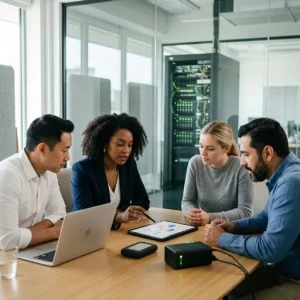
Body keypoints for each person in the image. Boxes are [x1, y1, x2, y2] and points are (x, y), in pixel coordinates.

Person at [205, 118, 300, 299]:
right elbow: (266, 216)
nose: (241, 162)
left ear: (268, 153)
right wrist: (234, 226)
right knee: (227, 289)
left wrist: (223, 238)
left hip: (295, 279)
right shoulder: (287, 173)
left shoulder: (290, 183)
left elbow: (270, 249)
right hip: (286, 270)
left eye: (246, 154)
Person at [0, 114, 74, 250]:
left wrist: (30, 233)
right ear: (42, 149)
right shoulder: (7, 175)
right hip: (6, 259)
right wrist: (53, 232)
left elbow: (59, 214)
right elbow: (7, 240)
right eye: (64, 150)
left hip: (29, 249)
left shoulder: (49, 171)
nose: (67, 157)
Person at [71, 113, 150, 228]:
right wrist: (118, 217)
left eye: (130, 145)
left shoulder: (129, 165)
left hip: (118, 230)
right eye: (120, 144)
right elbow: (85, 213)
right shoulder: (82, 169)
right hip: (88, 231)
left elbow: (142, 200)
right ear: (104, 143)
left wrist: (123, 213)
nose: (126, 151)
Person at [182, 121, 253, 226]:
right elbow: (187, 201)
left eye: (210, 148)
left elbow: (245, 212)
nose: (203, 152)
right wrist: (192, 214)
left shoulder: (241, 166)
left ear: (226, 148)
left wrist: (210, 218)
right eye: (201, 146)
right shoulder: (195, 163)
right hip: (203, 227)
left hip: (232, 229)